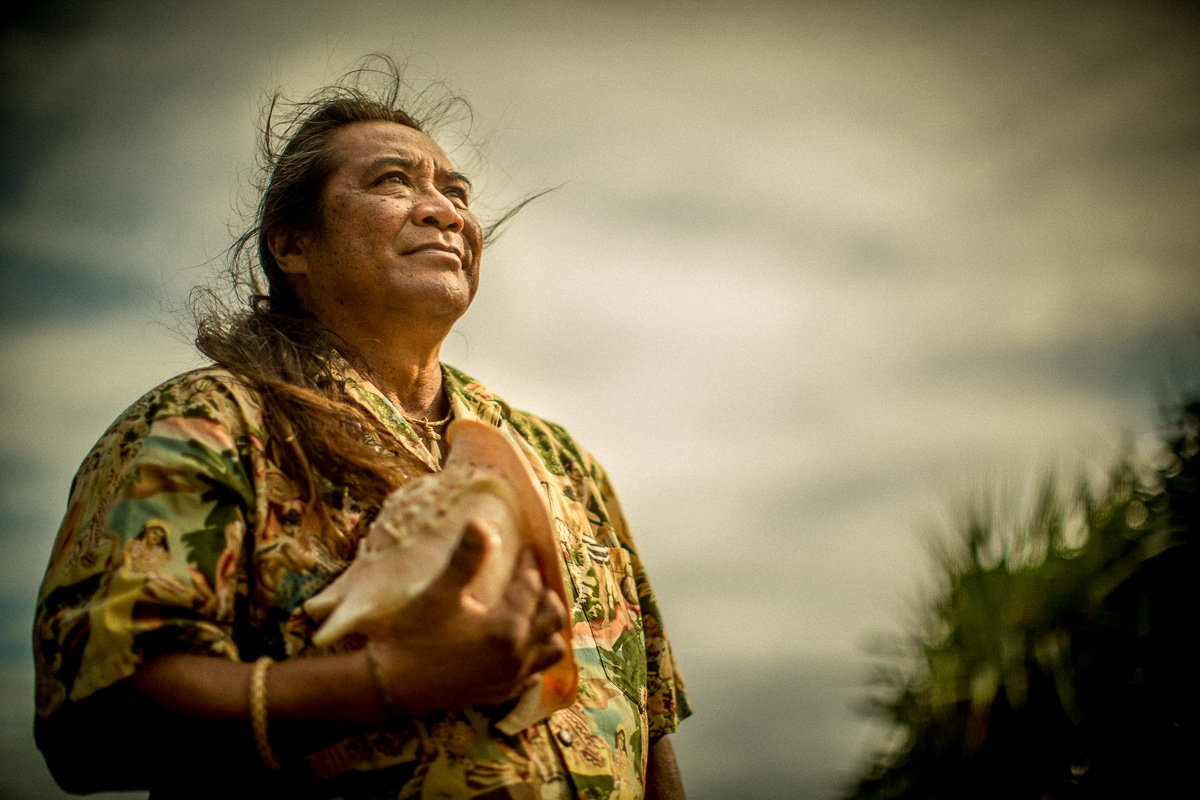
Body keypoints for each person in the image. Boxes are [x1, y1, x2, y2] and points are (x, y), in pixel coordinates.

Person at [33, 61, 690, 800]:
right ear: (292, 245)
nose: (445, 211)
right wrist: (395, 679)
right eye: (392, 182)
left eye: (456, 193)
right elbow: (93, 722)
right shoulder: (209, 424)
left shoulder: (563, 462)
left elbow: (650, 726)